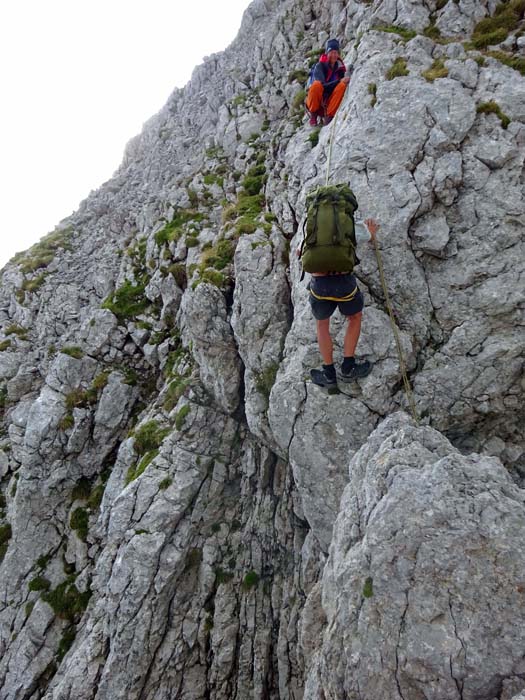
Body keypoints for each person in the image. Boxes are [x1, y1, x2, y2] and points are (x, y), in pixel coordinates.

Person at [305, 218, 380, 387]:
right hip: (344, 284)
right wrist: (371, 233)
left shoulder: (312, 226)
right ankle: (348, 368)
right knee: (354, 317)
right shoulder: (348, 224)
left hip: (320, 286)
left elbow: (300, 253)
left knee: (322, 325)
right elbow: (368, 235)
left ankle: (329, 375)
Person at [306, 38, 352, 127]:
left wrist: (342, 81)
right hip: (317, 103)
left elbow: (338, 87)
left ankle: (329, 117)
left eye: (336, 53)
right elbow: (322, 86)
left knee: (342, 86)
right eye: (331, 52)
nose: (334, 55)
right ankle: (313, 115)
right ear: (327, 53)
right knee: (316, 85)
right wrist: (339, 81)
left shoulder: (340, 69)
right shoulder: (320, 66)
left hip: (328, 103)